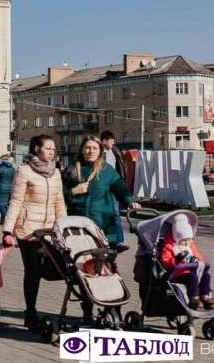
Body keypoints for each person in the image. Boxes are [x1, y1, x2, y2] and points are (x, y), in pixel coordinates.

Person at [62, 135, 141, 322]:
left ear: (100, 151)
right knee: (84, 269)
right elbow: (59, 195)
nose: (90, 151)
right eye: (87, 148)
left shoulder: (107, 171)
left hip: (103, 226)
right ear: (82, 149)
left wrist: (130, 202)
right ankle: (87, 311)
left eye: (94, 148)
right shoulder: (71, 170)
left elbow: (120, 189)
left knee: (108, 269)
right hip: (78, 228)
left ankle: (113, 309)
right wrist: (73, 192)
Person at [2, 135, 67, 333]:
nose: (52, 152)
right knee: (33, 273)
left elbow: (59, 202)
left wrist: (65, 226)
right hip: (28, 231)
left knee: (55, 269)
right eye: (48, 149)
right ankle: (31, 313)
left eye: (53, 149)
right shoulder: (24, 171)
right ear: (36, 149)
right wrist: (7, 230)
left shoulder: (55, 173)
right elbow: (16, 201)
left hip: (49, 231)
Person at [160, 214, 214, 310]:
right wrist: (176, 259)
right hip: (177, 274)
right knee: (192, 277)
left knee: (206, 275)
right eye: (183, 240)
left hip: (191, 271)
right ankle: (194, 298)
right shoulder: (170, 247)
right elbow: (165, 261)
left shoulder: (191, 246)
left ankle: (205, 297)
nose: (186, 243)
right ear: (177, 238)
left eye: (189, 240)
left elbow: (198, 256)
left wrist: (196, 260)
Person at [100, 131, 129, 253]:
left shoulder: (115, 151)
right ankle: (104, 240)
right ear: (104, 141)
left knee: (116, 213)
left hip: (113, 185)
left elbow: (120, 167)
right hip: (101, 187)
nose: (113, 143)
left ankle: (119, 241)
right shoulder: (98, 153)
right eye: (111, 140)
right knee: (103, 213)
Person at [0, 154, 16, 225]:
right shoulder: (12, 169)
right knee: (5, 203)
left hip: (0, 187)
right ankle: (2, 220)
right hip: (10, 187)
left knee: (0, 204)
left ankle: (6, 218)